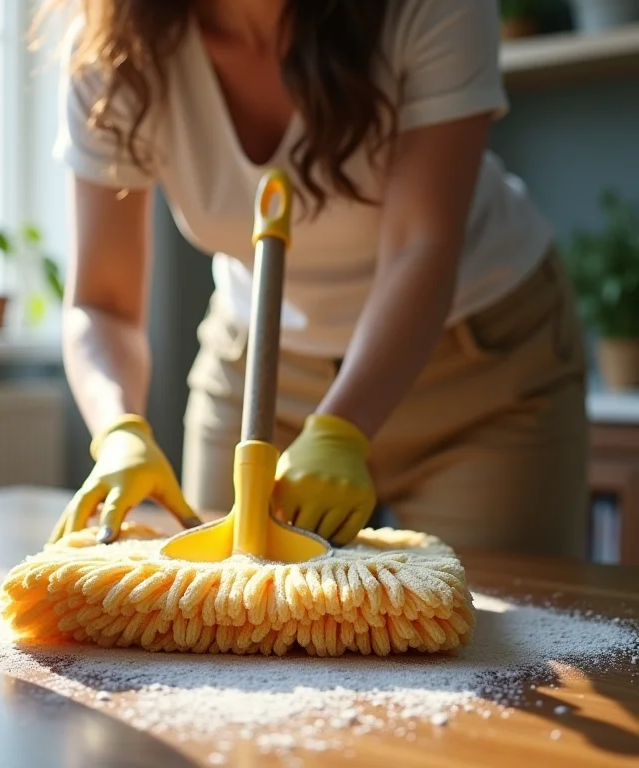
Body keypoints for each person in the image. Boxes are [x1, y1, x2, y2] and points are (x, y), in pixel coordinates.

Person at [47, 0, 589, 559]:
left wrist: (341, 430)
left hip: (477, 374)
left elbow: (420, 248)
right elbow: (102, 302)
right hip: (261, 376)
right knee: (227, 614)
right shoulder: (110, 46)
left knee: (489, 627)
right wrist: (118, 432)